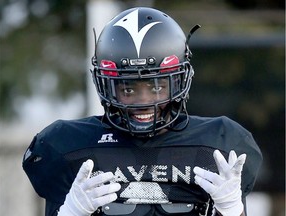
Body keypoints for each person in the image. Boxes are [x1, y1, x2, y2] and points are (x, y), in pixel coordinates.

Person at [23, 7, 262, 216]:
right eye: (128, 88)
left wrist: (230, 209)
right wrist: (71, 212)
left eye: (156, 86)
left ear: (180, 80)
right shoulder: (66, 145)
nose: (143, 102)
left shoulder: (220, 142)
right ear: (107, 85)